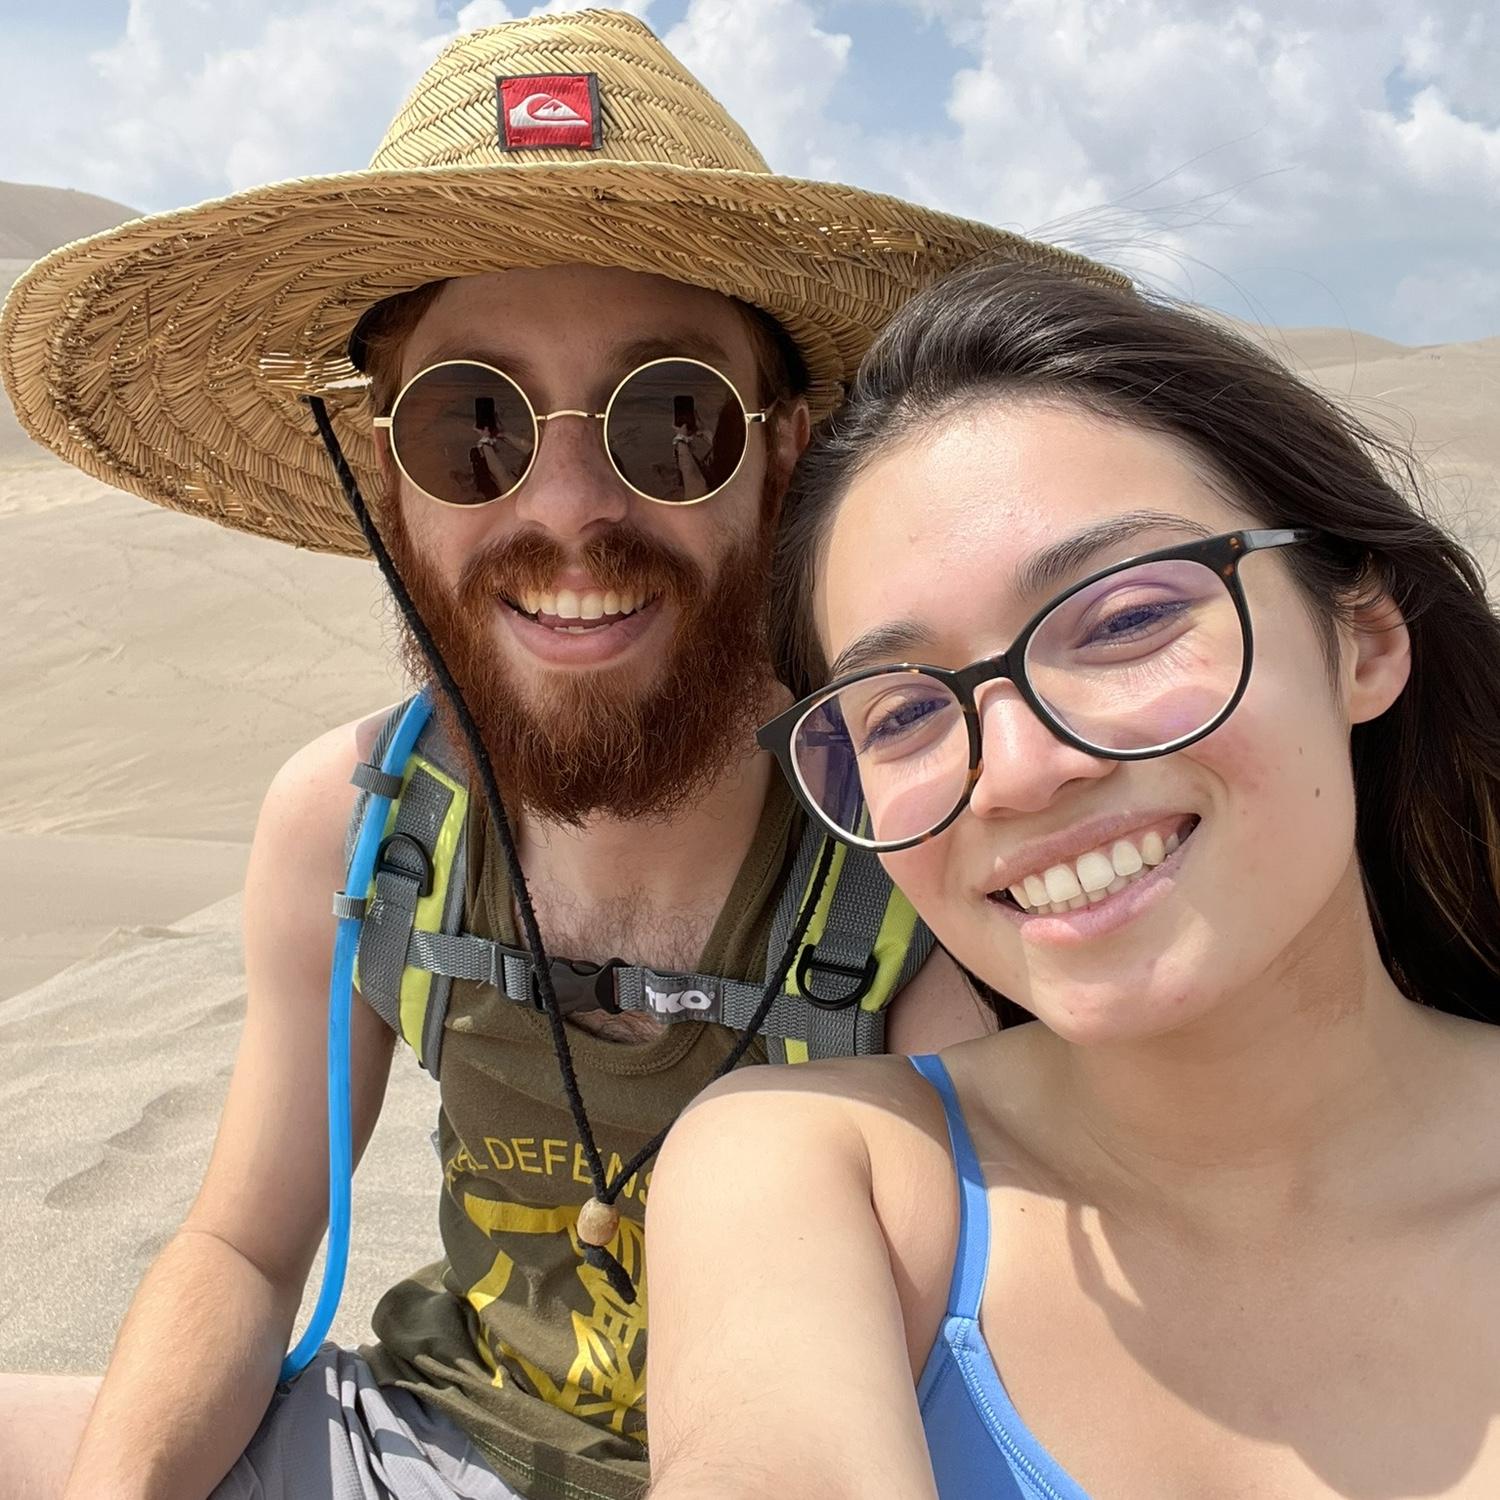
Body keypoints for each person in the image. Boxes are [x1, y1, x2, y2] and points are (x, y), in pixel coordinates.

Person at [0, 14, 1118, 1500]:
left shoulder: (910, 842)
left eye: (674, 419)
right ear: (385, 472)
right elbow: (248, 1247)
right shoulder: (358, 827)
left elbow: (998, 1360)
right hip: (421, 1434)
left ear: (784, 455)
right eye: (473, 423)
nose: (570, 508)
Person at [645, 260, 1500, 1498]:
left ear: (1362, 639)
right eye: (900, 714)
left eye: (1125, 620)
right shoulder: (831, 1179)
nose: (1019, 771)